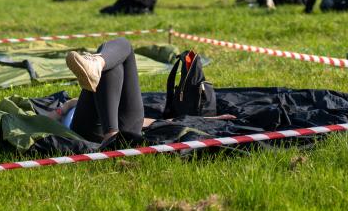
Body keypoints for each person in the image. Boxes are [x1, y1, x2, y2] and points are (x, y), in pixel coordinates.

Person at [63, 38, 233, 146]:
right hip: (92, 128)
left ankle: (97, 63)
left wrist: (204, 120)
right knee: (123, 47)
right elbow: (48, 120)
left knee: (112, 59)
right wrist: (62, 109)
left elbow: (155, 122)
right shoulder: (67, 107)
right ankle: (111, 136)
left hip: (120, 126)